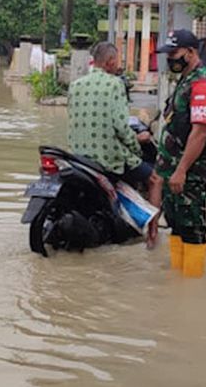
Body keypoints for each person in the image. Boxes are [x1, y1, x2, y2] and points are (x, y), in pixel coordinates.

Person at [67, 41, 163, 247]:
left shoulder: (76, 85)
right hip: (108, 156)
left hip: (79, 156)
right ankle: (153, 235)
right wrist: (137, 145)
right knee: (155, 179)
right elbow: (121, 126)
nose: (118, 65)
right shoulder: (115, 84)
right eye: (117, 61)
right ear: (109, 62)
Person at [154, 29, 206, 278]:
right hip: (174, 173)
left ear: (191, 52)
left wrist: (181, 170)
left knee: (193, 229)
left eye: (174, 53)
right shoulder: (185, 80)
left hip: (189, 175)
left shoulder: (201, 85)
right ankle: (177, 280)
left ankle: (191, 288)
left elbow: (200, 132)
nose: (170, 58)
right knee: (177, 226)